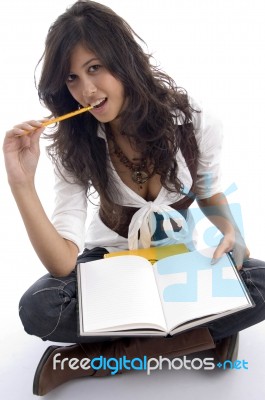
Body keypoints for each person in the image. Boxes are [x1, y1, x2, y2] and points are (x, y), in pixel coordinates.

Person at [3, 0, 265, 396]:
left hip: (176, 262)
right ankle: (200, 341)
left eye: (95, 68)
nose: (87, 90)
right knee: (40, 307)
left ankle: (95, 360)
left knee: (261, 281)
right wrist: (20, 182)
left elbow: (208, 189)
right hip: (110, 263)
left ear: (125, 60)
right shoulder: (73, 145)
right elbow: (62, 262)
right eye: (72, 78)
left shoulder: (194, 123)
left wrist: (233, 235)